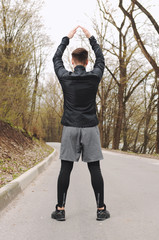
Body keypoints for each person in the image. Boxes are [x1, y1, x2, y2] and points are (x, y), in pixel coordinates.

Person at [51, 26, 110, 221]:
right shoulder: (94, 76)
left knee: (65, 169)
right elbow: (101, 59)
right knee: (95, 169)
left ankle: (60, 210)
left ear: (72, 61)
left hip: (70, 127)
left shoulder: (65, 77)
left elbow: (55, 59)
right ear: (86, 62)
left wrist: (66, 38)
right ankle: (101, 210)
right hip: (90, 128)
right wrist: (91, 38)